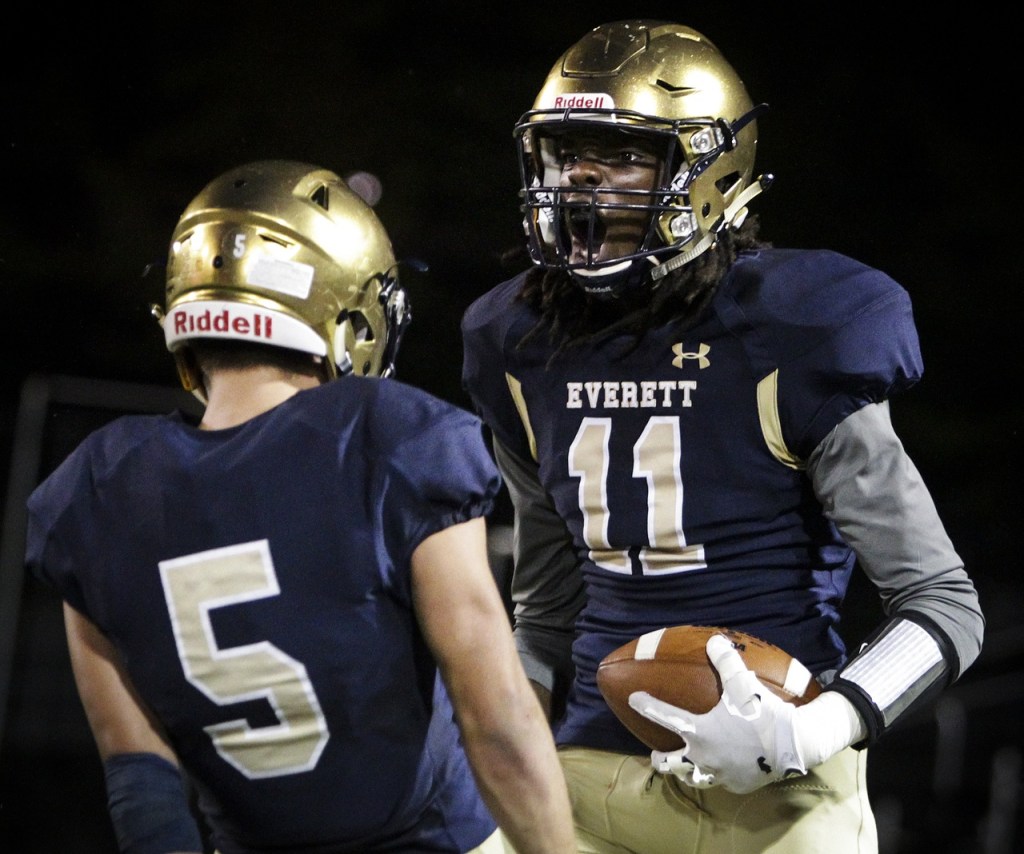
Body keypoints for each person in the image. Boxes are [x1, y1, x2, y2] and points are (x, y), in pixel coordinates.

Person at [460, 20, 984, 854]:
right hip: (588, 774)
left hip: (778, 790)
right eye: (566, 154)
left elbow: (944, 607)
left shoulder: (795, 329)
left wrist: (813, 728)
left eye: (622, 155)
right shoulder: (519, 342)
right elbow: (549, 610)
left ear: (709, 172)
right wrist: (491, 723)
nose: (581, 182)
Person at [25, 160, 576, 854]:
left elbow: (142, 782)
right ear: (346, 314)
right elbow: (496, 720)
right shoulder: (390, 439)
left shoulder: (91, 495)